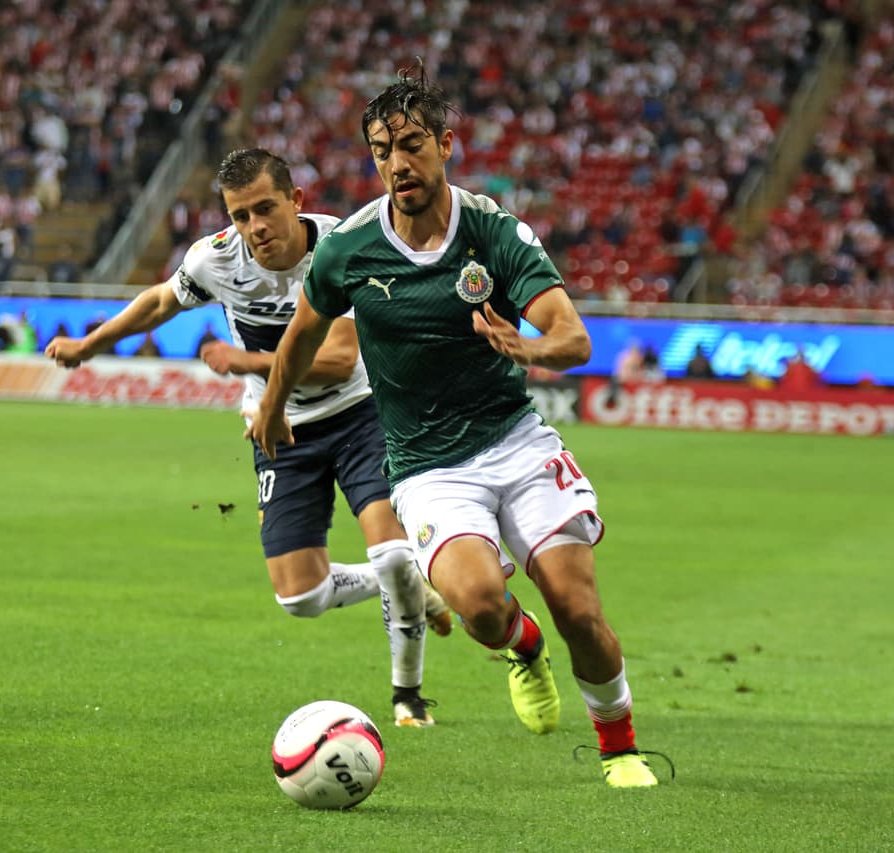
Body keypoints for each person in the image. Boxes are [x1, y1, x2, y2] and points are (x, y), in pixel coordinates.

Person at [249, 69, 666, 787]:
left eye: (412, 145)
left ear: (446, 145)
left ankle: (619, 746)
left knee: (578, 607)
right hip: (426, 466)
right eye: (382, 151)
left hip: (517, 442)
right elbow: (302, 334)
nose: (397, 163)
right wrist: (273, 404)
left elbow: (572, 338)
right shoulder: (349, 249)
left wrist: (526, 345)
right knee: (478, 606)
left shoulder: (495, 232)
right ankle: (521, 643)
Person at [46, 148, 454, 727]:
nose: (254, 227)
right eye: (240, 215)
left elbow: (338, 360)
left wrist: (245, 360)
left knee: (388, 551)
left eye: (265, 208)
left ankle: (407, 695)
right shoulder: (215, 260)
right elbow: (161, 301)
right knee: (300, 597)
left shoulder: (340, 246)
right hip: (277, 426)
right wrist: (90, 346)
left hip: (360, 412)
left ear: (296, 201)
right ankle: (411, 578)